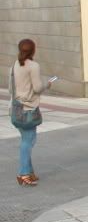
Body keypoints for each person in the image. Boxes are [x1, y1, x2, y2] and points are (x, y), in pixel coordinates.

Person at [11, 39, 51, 186]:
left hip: (16, 107)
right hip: (27, 108)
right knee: (28, 142)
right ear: (33, 50)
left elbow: (11, 87)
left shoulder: (16, 63)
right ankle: (23, 174)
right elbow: (37, 88)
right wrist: (48, 84)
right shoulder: (33, 66)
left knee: (25, 140)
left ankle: (30, 172)